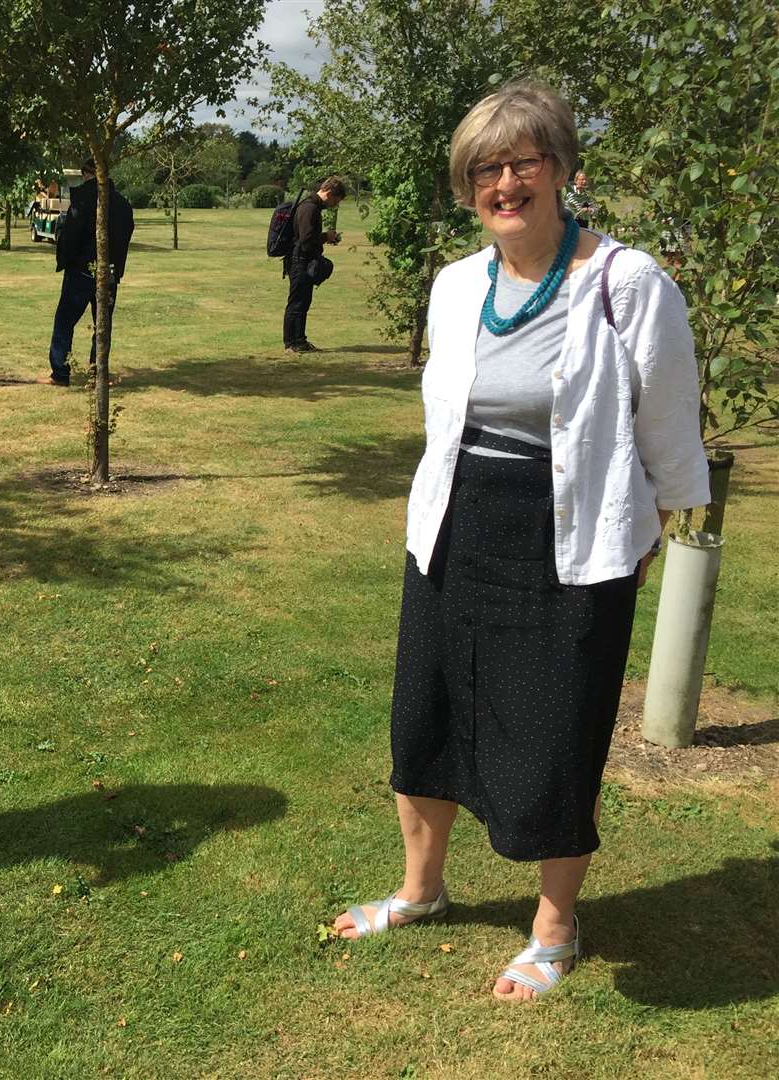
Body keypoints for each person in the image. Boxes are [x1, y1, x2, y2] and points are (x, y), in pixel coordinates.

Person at [330, 81, 708, 1001]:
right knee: (424, 714)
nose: (506, 181)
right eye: (486, 169)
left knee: (554, 734)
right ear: (469, 189)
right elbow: (445, 419)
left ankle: (554, 926)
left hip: (571, 540)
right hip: (457, 529)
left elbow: (668, 430)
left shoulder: (627, 283)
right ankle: (422, 891)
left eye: (524, 160)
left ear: (564, 170)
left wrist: (646, 531)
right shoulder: (458, 286)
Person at [45, 159, 135, 386]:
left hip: (81, 271)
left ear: (87, 174)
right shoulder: (123, 204)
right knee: (102, 326)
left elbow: (72, 235)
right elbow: (125, 237)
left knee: (65, 320)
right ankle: (98, 372)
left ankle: (60, 372)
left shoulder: (83, 199)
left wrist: (65, 259)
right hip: (110, 272)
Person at [283, 176, 346, 352]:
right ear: (330, 193)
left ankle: (298, 340)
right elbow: (306, 239)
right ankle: (292, 343)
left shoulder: (311, 207)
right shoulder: (309, 208)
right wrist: (326, 237)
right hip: (300, 260)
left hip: (302, 259)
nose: (335, 205)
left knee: (303, 302)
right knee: (297, 303)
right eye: (336, 200)